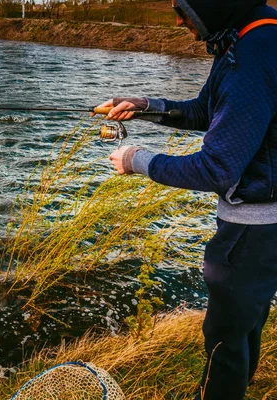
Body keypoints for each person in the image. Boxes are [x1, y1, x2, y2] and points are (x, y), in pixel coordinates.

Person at [95, 1, 277, 399]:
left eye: (184, 7)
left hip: (253, 232)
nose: (178, 19)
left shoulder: (248, 61)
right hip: (266, 229)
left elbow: (216, 169)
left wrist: (136, 160)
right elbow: (207, 110)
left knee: (223, 336)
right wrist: (147, 107)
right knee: (248, 319)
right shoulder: (256, 36)